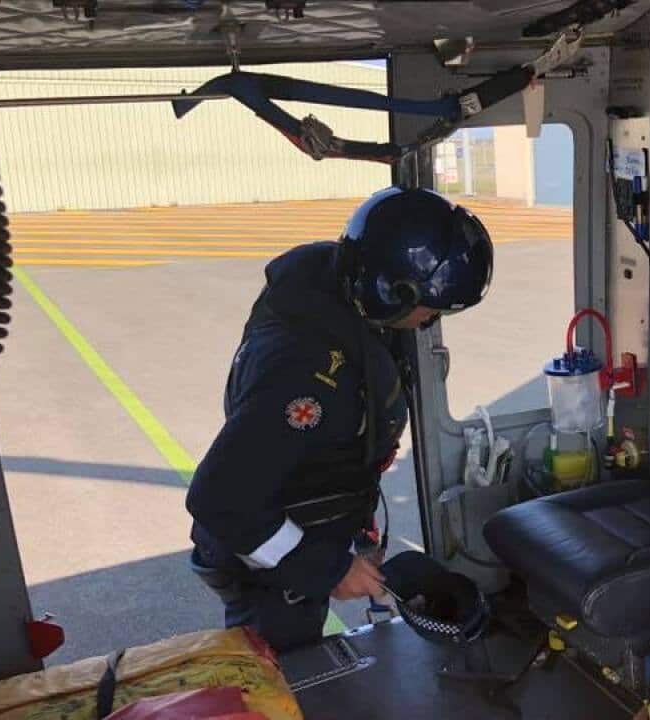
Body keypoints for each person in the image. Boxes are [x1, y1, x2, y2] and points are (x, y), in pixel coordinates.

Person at [185, 186, 493, 651]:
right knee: (285, 679)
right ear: (393, 292)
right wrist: (326, 568)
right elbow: (221, 498)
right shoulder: (305, 374)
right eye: (429, 311)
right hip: (261, 557)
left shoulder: (340, 296)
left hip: (305, 518)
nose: (430, 321)